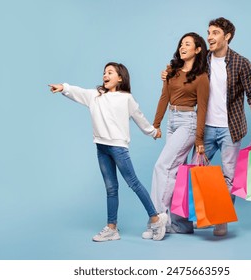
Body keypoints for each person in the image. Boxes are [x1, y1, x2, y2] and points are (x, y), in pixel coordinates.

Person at [162, 18, 251, 237]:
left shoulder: (241, 62)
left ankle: (220, 220)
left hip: (231, 128)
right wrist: (168, 73)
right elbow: (182, 72)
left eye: (215, 32)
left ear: (227, 36)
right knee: (193, 172)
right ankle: (190, 220)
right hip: (205, 128)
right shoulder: (203, 61)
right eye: (208, 32)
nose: (209, 36)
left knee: (228, 177)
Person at [48, 62, 168, 242]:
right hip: (101, 147)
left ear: (120, 78)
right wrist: (63, 87)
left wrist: (153, 132)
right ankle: (112, 228)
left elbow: (140, 119)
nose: (105, 74)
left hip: (118, 147)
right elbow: (78, 91)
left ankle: (156, 219)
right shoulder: (95, 96)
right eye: (104, 72)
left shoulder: (126, 98)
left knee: (133, 183)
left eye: (110, 72)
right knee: (111, 188)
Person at [142, 32, 210, 238]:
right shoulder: (171, 71)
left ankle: (158, 219)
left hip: (188, 123)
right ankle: (176, 223)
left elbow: (203, 109)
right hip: (172, 121)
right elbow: (164, 97)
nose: (182, 47)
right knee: (174, 173)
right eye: (181, 44)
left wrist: (199, 139)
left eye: (187, 44)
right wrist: (156, 124)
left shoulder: (201, 77)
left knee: (162, 167)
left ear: (197, 50)